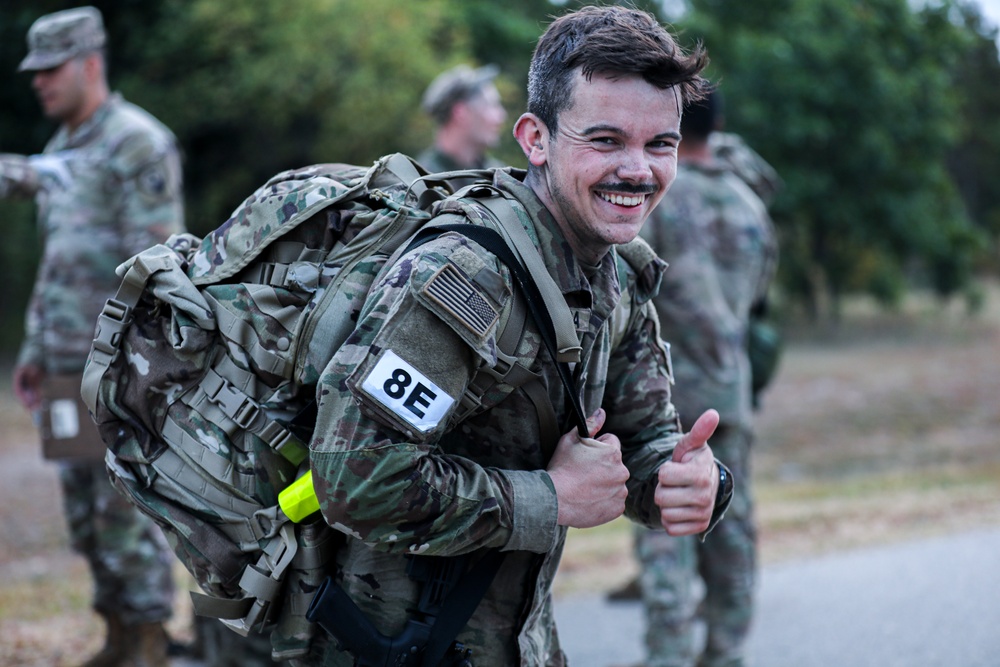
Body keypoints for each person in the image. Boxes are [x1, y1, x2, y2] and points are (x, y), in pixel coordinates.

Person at [297, 6, 732, 666]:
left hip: (516, 639)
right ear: (536, 139)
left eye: (660, 144)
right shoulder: (465, 280)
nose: (638, 170)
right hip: (390, 644)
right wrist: (549, 498)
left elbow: (643, 441)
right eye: (606, 140)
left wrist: (689, 479)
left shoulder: (612, 269)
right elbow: (354, 475)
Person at [0, 7, 184, 666]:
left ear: (90, 64)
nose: (39, 83)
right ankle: (117, 630)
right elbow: (58, 261)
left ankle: (150, 637)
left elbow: (157, 265)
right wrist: (33, 348)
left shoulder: (137, 141)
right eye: (35, 71)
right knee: (82, 503)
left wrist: (139, 365)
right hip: (60, 360)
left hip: (114, 366)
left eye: (51, 70)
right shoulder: (59, 151)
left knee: (121, 501)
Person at [633, 90, 779, 667]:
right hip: (731, 392)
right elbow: (758, 298)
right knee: (733, 527)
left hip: (662, 399)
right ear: (718, 126)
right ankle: (727, 652)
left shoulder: (656, 200)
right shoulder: (751, 205)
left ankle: (667, 656)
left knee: (666, 531)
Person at [417, 63, 508, 188]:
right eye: (491, 106)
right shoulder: (422, 184)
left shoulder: (500, 176)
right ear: (461, 112)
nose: (501, 116)